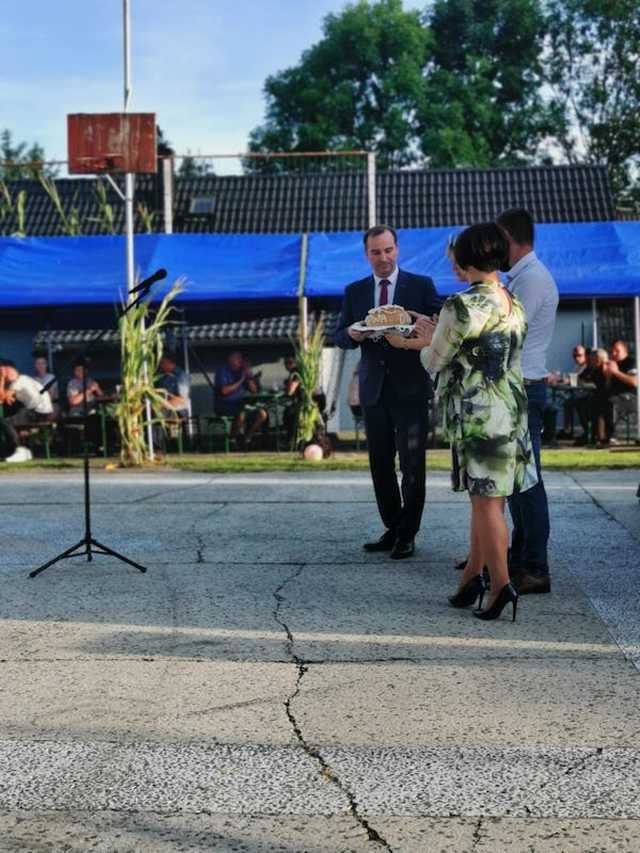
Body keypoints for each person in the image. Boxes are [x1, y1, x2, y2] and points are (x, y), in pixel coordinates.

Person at [386, 223, 537, 621]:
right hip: (510, 409)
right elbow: (485, 352)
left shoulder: (461, 305)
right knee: (489, 502)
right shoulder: (511, 300)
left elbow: (437, 360)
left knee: (485, 504)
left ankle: (502, 585)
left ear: (467, 258)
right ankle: (472, 577)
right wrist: (437, 337)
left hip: (479, 416)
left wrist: (416, 342)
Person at [334, 224, 443, 559]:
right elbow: (338, 336)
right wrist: (354, 332)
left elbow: (441, 324)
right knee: (380, 464)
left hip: (410, 388)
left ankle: (408, 533)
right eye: (376, 252)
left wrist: (415, 322)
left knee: (412, 465)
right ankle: (393, 526)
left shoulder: (420, 285)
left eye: (388, 250)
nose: (383, 258)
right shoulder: (354, 291)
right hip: (373, 389)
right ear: (366, 254)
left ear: (397, 249)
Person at [496, 208, 558, 596]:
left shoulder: (531, 280)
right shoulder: (522, 277)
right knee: (519, 482)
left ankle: (535, 566)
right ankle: (521, 560)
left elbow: (506, 334)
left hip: (524, 388)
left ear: (510, 239)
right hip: (520, 386)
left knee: (528, 482)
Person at [0, 358, 54, 462]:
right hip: (40, 411)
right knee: (10, 417)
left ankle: (18, 450)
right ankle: (17, 450)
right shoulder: (25, 380)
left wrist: (2, 378)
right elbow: (8, 399)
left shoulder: (19, 381)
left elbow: (1, 398)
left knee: (5, 422)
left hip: (38, 412)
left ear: (7, 370)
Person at [214, 351, 267, 448]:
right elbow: (224, 391)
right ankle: (232, 440)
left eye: (241, 359)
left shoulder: (243, 372)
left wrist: (249, 376)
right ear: (231, 360)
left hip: (240, 404)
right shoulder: (222, 371)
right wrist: (241, 380)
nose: (240, 361)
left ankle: (247, 438)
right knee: (241, 413)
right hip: (224, 404)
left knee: (262, 414)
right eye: (238, 359)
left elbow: (254, 391)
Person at [590, 340, 637, 445]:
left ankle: (612, 436)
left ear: (625, 351)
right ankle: (598, 437)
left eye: (617, 351)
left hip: (631, 397)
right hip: (614, 395)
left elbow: (634, 382)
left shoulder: (631, 362)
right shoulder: (611, 364)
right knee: (594, 401)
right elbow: (607, 387)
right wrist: (608, 377)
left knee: (611, 402)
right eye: (612, 351)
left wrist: (616, 372)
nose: (614, 353)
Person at [156, 352, 191, 417]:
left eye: (163, 363)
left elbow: (182, 399)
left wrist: (163, 405)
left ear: (170, 362)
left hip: (178, 413)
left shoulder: (181, 376)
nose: (161, 365)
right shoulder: (162, 376)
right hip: (165, 412)